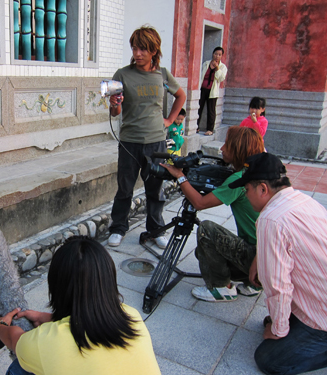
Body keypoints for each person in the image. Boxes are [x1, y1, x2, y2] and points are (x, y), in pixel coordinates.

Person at [0, 236, 161, 375]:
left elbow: (11, 338)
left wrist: (0, 325)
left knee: (19, 369)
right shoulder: (132, 315)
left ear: (56, 286)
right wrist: (48, 318)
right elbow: (92, 319)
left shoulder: (46, 343)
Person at [229, 152, 327, 375]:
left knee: (269, 358)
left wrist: (279, 330)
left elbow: (278, 285)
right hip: (319, 299)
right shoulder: (302, 199)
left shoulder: (271, 218)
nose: (246, 195)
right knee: (271, 321)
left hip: (323, 315)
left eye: (247, 190)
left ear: (263, 189)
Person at [160, 126, 264, 302]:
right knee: (203, 253)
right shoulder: (258, 172)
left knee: (206, 230)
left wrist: (180, 176)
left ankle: (221, 287)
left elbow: (199, 203)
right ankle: (254, 284)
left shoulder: (240, 180)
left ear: (238, 150)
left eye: (227, 146)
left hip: (256, 258)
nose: (221, 149)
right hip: (266, 256)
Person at [108, 25, 186, 249]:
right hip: (130, 141)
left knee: (155, 189)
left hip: (156, 142)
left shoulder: (162, 75)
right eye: (134, 48)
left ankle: (155, 229)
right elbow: (115, 112)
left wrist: (170, 120)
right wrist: (114, 105)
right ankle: (118, 228)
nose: (138, 53)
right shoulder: (121, 74)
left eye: (143, 49)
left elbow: (180, 95)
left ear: (154, 50)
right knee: (124, 188)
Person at [197, 47, 228, 136]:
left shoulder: (223, 67)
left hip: (212, 91)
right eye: (215, 54)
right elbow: (201, 75)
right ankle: (196, 126)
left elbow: (221, 78)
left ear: (221, 56)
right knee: (199, 108)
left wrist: (217, 68)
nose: (217, 56)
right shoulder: (206, 64)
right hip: (203, 89)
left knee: (211, 110)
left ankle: (210, 129)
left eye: (219, 55)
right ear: (212, 54)